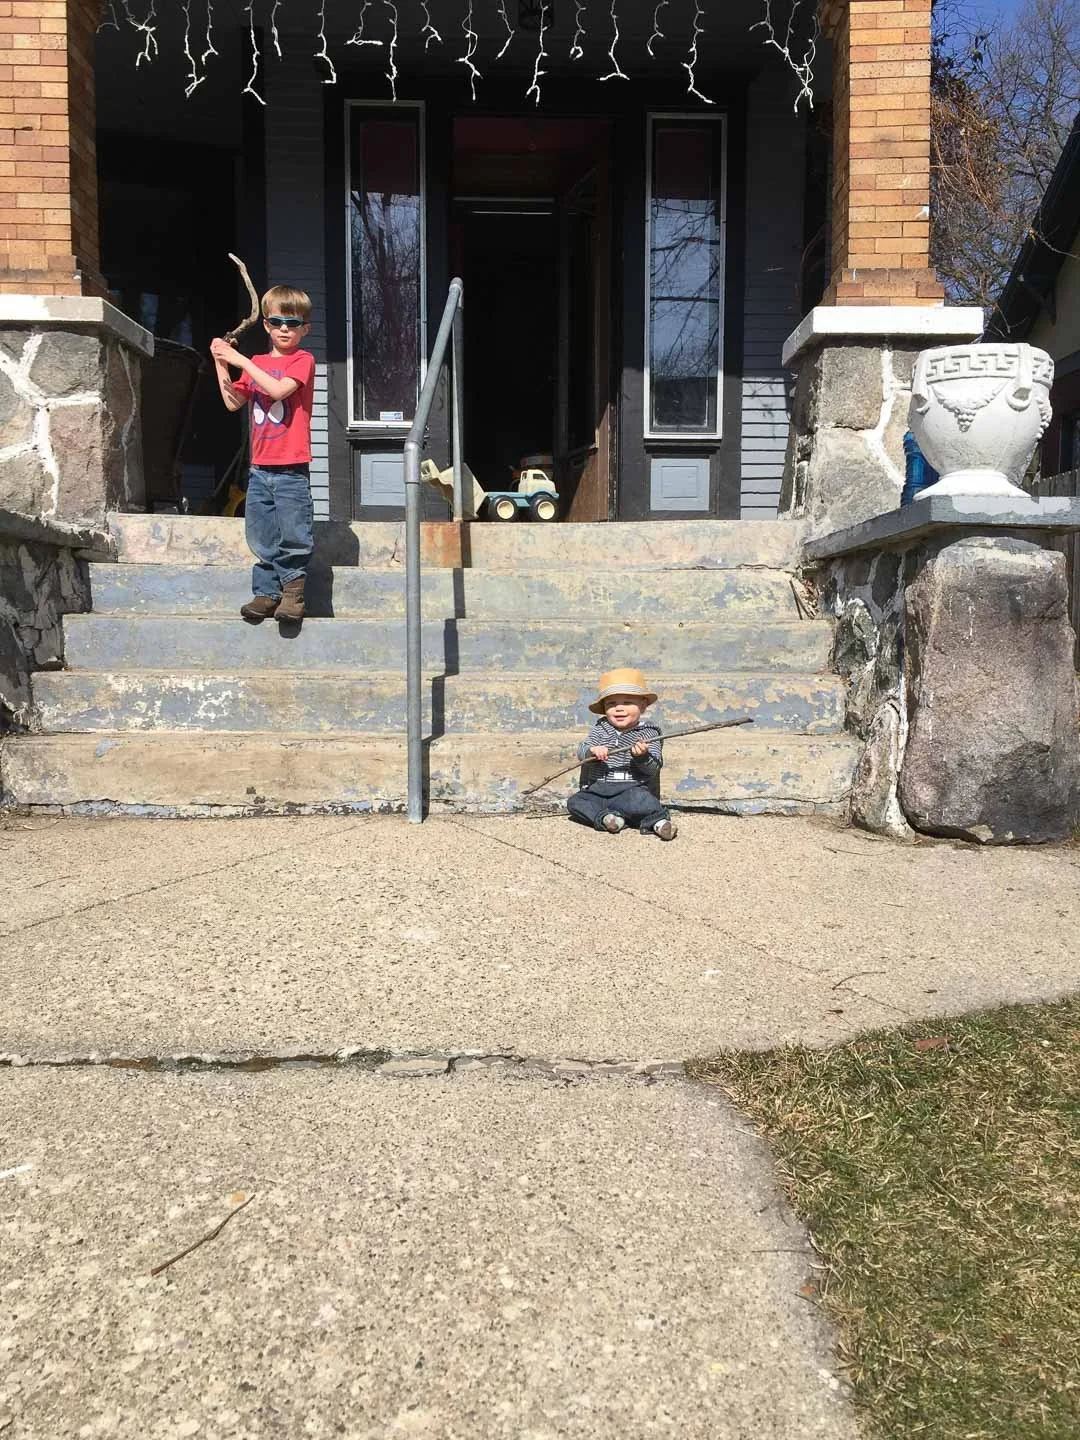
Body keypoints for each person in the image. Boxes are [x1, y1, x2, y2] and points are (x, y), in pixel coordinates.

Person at [210, 285, 316, 623]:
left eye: (293, 322)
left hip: (291, 467)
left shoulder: (303, 360)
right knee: (261, 533)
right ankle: (266, 593)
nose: (285, 328)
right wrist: (221, 364)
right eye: (277, 321)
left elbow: (277, 389)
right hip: (260, 468)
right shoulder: (255, 363)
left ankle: (293, 594)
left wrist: (238, 359)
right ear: (267, 326)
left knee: (294, 532)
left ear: (305, 329)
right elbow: (232, 402)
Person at [567, 668, 677, 840]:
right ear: (604, 708)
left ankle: (659, 823)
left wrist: (642, 757)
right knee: (575, 803)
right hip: (598, 792)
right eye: (611, 704)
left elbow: (653, 768)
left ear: (642, 705)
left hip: (630, 790)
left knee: (643, 802)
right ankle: (608, 819)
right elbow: (582, 750)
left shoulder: (649, 732)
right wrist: (591, 752)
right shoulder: (601, 728)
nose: (619, 708)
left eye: (627, 703)